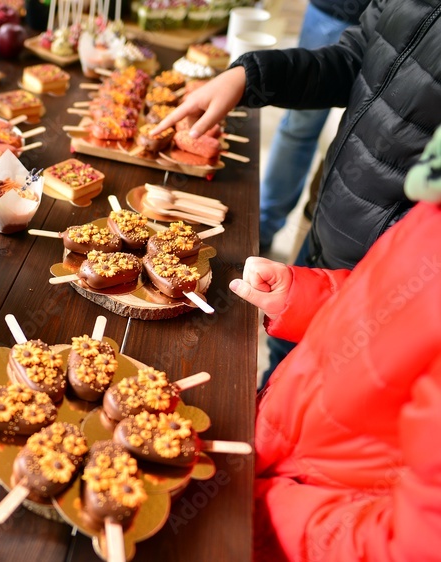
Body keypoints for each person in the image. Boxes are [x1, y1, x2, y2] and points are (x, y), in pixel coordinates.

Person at [154, 0, 441, 387]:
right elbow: (358, 59)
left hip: (389, 287)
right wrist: (249, 76)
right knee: (281, 363)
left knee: (318, 385)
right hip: (330, 224)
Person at [228, 127, 441, 562]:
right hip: (266, 464)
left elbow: (413, 542)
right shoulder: (431, 211)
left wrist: (270, 509)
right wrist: (303, 298)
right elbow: (387, 302)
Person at [258, 0, 370, 254]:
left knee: (362, 147)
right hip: (335, 11)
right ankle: (263, 227)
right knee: (300, 125)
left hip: (398, 27)